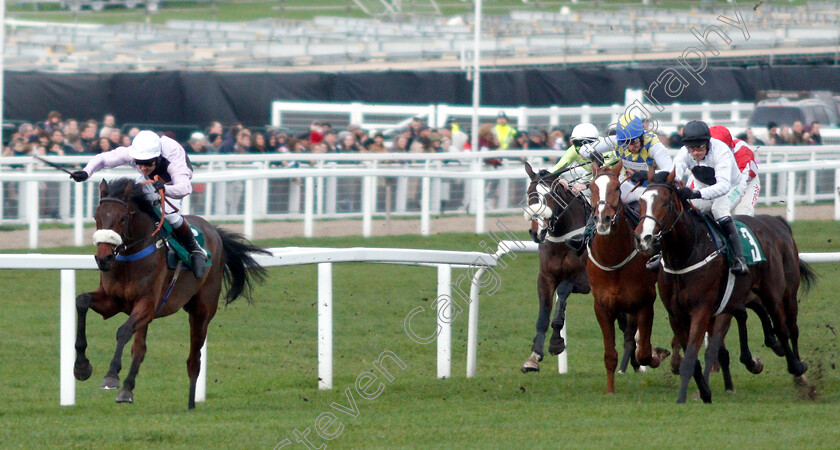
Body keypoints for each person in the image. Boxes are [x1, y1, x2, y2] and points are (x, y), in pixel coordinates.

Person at [68, 130, 207, 278]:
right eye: (139, 163)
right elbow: (103, 159)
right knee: (129, 202)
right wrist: (86, 172)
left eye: (147, 163)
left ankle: (195, 249)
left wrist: (164, 189)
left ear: (157, 158)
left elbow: (185, 188)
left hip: (173, 183)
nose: (143, 168)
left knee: (170, 216)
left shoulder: (173, 162)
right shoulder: (132, 153)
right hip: (153, 181)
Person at [662, 120, 748, 275]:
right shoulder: (684, 152)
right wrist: (659, 177)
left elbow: (723, 186)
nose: (695, 152)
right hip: (705, 188)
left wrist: (695, 193)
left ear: (708, 143)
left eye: (700, 147)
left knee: (719, 209)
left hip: (732, 187)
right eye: (691, 149)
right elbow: (675, 174)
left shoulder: (721, 151)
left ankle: (738, 258)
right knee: (685, 210)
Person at [710, 125, 760, 216]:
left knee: (742, 212)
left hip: (746, 183)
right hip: (721, 184)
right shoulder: (702, 151)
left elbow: (740, 183)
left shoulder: (741, 149)